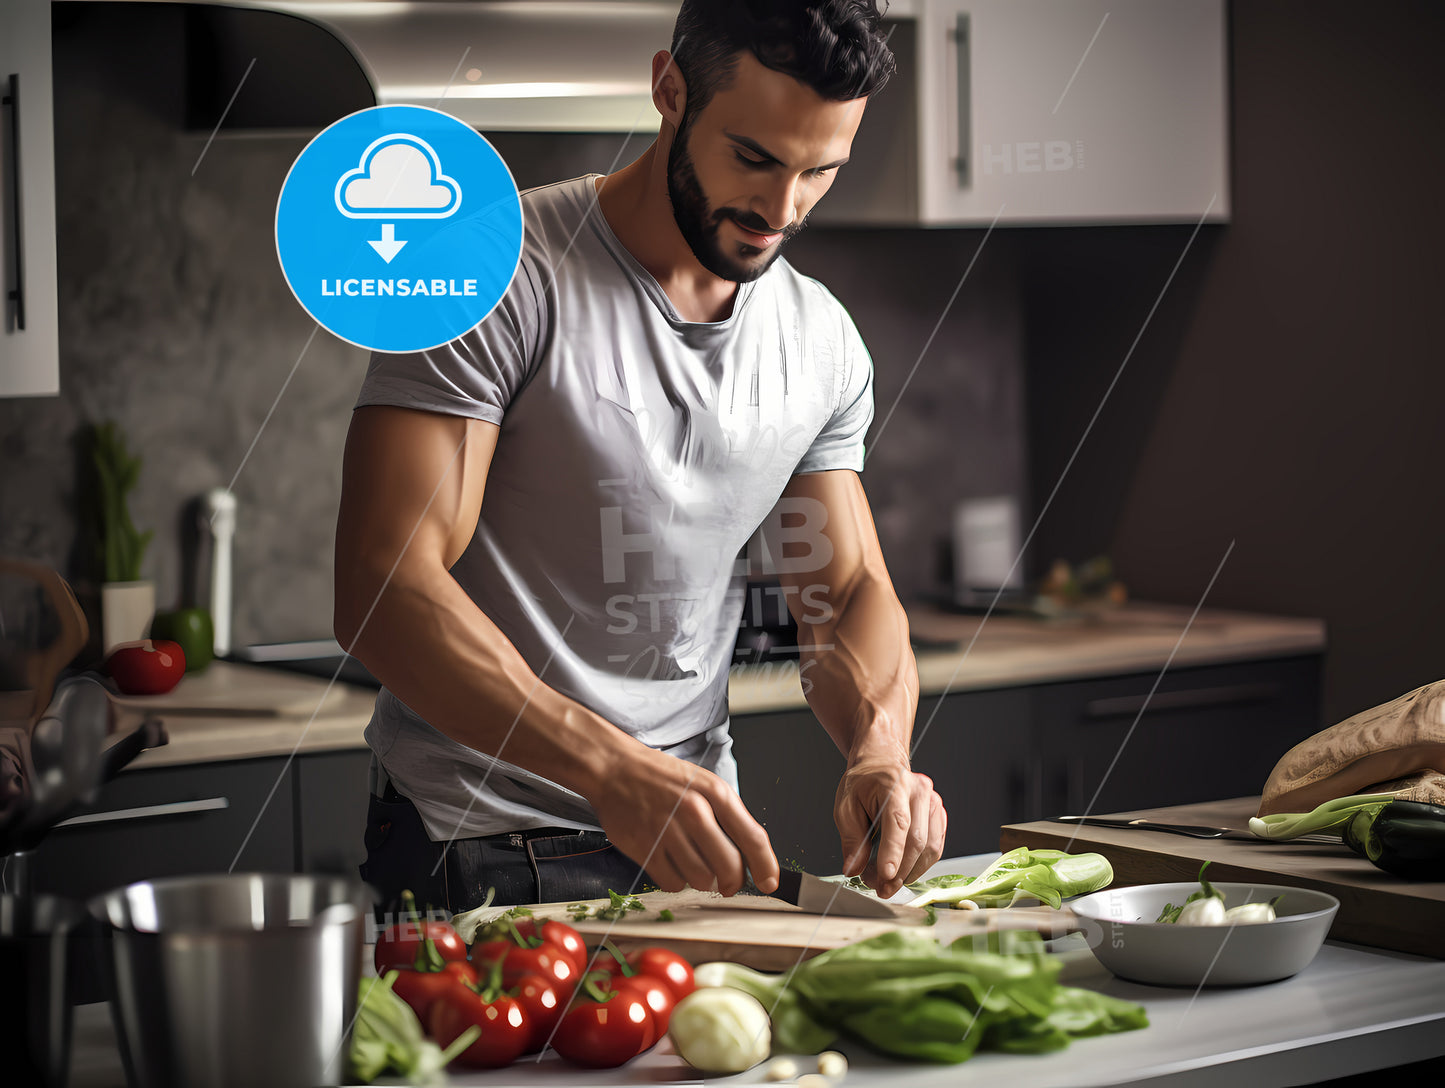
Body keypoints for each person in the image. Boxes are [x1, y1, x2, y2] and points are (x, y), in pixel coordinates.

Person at [338, 0, 948, 916]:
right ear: (669, 89)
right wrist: (608, 768)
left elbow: (845, 589)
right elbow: (381, 589)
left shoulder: (817, 337)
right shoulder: (488, 277)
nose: (781, 210)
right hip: (478, 840)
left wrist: (878, 748)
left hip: (693, 835)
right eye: (754, 158)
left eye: (820, 170)